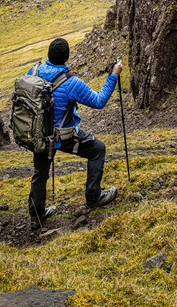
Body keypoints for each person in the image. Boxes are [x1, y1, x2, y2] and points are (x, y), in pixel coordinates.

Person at [28, 36, 123, 230]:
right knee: (98, 149)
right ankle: (93, 197)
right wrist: (113, 74)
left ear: (48, 54)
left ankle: (36, 216)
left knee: (40, 172)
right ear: (67, 57)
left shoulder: (34, 71)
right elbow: (99, 101)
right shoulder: (72, 83)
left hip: (38, 135)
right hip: (64, 137)